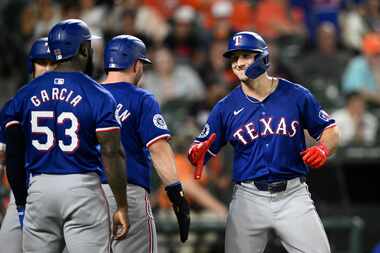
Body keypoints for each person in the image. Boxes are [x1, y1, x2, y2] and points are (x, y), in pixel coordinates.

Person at [188, 31, 340, 253]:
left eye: (245, 56)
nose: (238, 63)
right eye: (234, 58)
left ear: (263, 58)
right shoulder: (225, 107)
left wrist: (324, 148)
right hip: (248, 198)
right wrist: (196, 153)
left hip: (293, 195)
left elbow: (330, 130)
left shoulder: (296, 95)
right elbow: (199, 149)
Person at [1, 19, 129, 253]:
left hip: (39, 187)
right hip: (82, 187)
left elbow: (13, 155)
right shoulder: (98, 93)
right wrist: (122, 204)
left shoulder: (23, 95)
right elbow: (112, 152)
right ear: (83, 49)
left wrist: (21, 201)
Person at [101, 35, 190, 253]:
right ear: (135, 63)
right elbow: (158, 149)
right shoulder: (141, 98)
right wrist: (176, 194)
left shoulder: (86, 96)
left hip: (83, 194)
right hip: (127, 193)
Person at [0, 37, 56, 253]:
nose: (48, 68)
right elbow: (3, 157)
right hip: (24, 190)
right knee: (7, 245)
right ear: (31, 65)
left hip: (65, 187)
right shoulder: (15, 103)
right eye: (42, 62)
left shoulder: (73, 100)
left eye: (53, 63)